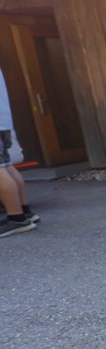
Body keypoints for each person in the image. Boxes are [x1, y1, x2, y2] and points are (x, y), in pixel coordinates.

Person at [0, 67, 37, 238]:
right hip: (3, 122)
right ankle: (24, 211)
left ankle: (17, 219)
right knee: (6, 166)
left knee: (1, 169)